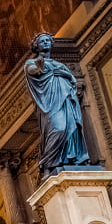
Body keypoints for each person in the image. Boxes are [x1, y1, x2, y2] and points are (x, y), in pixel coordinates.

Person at [24, 33, 97, 176]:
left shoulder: (60, 65)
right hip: (50, 102)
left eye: (47, 41)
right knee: (58, 128)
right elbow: (33, 71)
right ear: (36, 46)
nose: (45, 43)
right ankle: (47, 163)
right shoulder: (31, 63)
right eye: (42, 41)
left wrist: (66, 78)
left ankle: (72, 158)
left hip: (66, 100)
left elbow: (72, 81)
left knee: (72, 128)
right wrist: (42, 67)